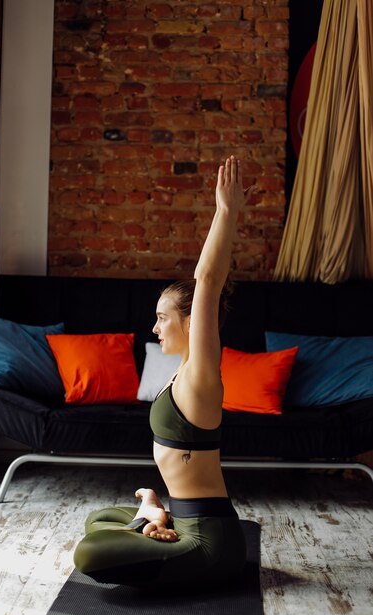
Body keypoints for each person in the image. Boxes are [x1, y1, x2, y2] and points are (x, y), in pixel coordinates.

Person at [73, 156, 255, 588]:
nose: (154, 328)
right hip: (184, 520)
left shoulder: (199, 376)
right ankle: (155, 515)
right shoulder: (180, 375)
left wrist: (226, 212)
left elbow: (207, 280)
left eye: (162, 318)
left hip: (211, 542)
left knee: (90, 551)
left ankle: (153, 520)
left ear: (191, 323)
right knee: (98, 518)